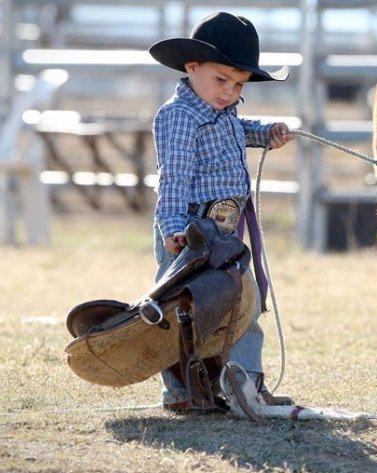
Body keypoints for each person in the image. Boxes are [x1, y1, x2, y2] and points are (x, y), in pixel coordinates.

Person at [148, 11, 294, 411]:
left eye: (239, 84)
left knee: (243, 303)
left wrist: (266, 133)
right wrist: (174, 229)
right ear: (192, 67)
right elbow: (173, 179)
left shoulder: (220, 109)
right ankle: (182, 392)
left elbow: (236, 127)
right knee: (182, 312)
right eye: (222, 79)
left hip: (225, 236)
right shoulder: (178, 117)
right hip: (190, 232)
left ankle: (247, 383)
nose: (230, 92)